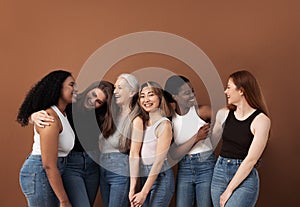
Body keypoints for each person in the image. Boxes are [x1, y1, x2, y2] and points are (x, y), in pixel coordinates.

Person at [30, 80, 115, 207]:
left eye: (99, 102)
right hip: (71, 163)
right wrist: (33, 116)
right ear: (89, 89)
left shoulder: (102, 115)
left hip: (93, 162)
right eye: (93, 95)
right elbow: (46, 113)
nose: (93, 101)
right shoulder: (70, 104)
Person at [210, 70, 271, 207]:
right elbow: (211, 142)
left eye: (229, 87)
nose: (226, 92)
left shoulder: (261, 120)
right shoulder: (223, 114)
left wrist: (229, 190)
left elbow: (251, 160)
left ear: (241, 91)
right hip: (219, 171)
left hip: (245, 175)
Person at [17, 70, 77, 207]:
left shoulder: (63, 113)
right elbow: (48, 165)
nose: (75, 89)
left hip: (53, 172)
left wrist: (31, 117)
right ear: (58, 88)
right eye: (71, 85)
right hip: (40, 173)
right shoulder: (50, 118)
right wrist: (64, 200)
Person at [164, 75, 215, 207]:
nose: (192, 95)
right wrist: (196, 138)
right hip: (184, 168)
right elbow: (174, 154)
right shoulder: (170, 120)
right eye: (187, 93)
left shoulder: (202, 111)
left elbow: (230, 123)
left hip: (206, 166)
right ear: (175, 96)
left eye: (192, 90)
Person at [129, 81, 175, 207]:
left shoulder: (164, 124)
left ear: (159, 98)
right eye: (142, 96)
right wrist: (132, 188)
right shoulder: (141, 122)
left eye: (150, 95)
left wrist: (144, 192)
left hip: (160, 176)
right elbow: (133, 154)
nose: (146, 99)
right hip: (144, 174)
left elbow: (159, 161)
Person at [98, 73, 139, 207]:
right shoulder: (110, 113)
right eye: (115, 88)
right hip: (102, 167)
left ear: (132, 92)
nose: (115, 91)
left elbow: (134, 155)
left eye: (120, 88)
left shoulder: (136, 119)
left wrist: (133, 187)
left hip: (120, 169)